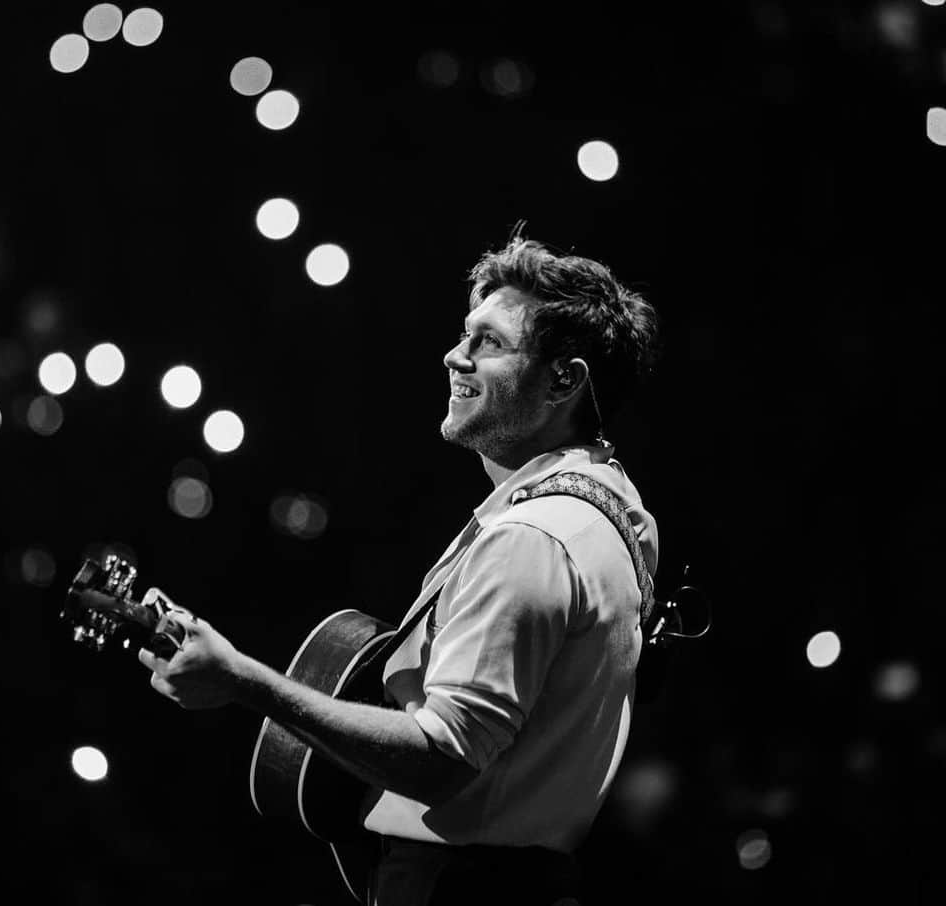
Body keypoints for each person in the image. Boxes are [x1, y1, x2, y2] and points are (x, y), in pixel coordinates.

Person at [137, 233, 661, 905]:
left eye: (489, 343)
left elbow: (443, 757)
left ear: (565, 379)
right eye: (463, 333)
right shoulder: (613, 508)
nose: (455, 355)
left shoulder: (532, 537)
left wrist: (245, 683)